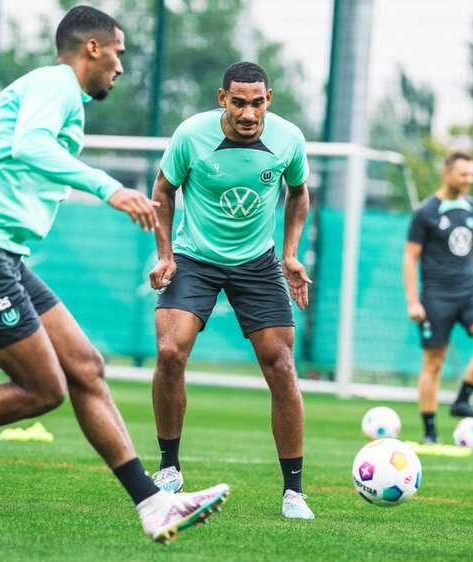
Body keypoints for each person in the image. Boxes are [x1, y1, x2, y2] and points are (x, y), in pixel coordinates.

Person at [0, 6, 228, 544]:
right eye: (119, 55)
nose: (121, 69)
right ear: (93, 50)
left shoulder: (61, 97)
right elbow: (27, 145)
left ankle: (153, 505)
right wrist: (109, 187)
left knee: (85, 366)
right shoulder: (55, 84)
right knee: (43, 389)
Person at [147, 61, 314, 519]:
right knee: (170, 353)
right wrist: (165, 255)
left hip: (257, 263)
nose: (247, 112)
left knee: (281, 365)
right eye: (238, 102)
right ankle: (169, 468)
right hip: (194, 258)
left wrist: (291, 252)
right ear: (222, 99)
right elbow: (162, 191)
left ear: (268, 100)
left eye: (256, 102)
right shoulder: (190, 136)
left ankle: (294, 492)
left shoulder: (288, 139)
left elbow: (299, 193)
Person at [402, 151, 473, 444]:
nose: (468, 180)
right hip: (436, 296)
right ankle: (430, 432)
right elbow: (410, 258)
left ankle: (463, 399)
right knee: (434, 363)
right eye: (464, 175)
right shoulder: (426, 212)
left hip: (468, 293)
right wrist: (413, 300)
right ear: (447, 173)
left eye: (472, 175)